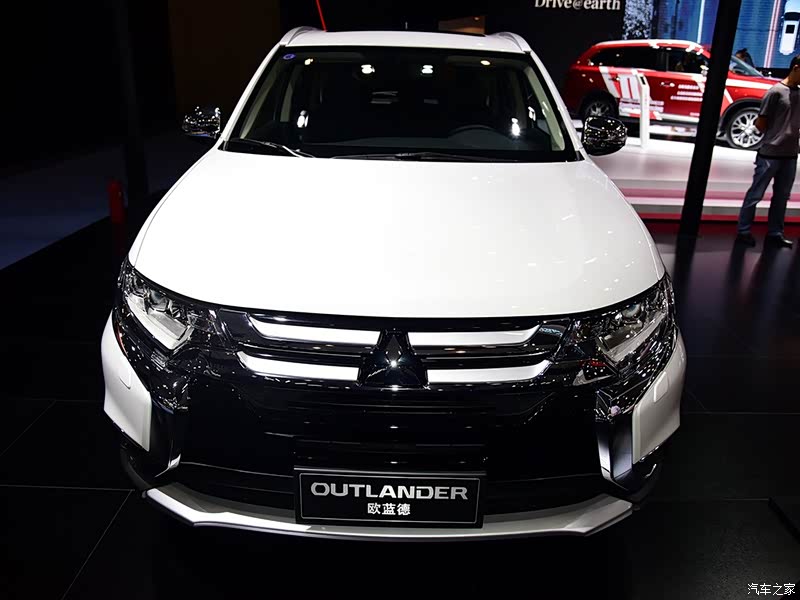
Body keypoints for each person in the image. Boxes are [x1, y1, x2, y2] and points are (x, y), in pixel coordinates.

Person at [735, 54, 800, 248]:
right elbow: (761, 122)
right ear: (796, 68)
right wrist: (776, 134)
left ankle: (775, 233)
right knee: (756, 194)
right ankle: (743, 231)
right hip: (770, 153)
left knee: (782, 197)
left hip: (790, 154)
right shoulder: (775, 92)